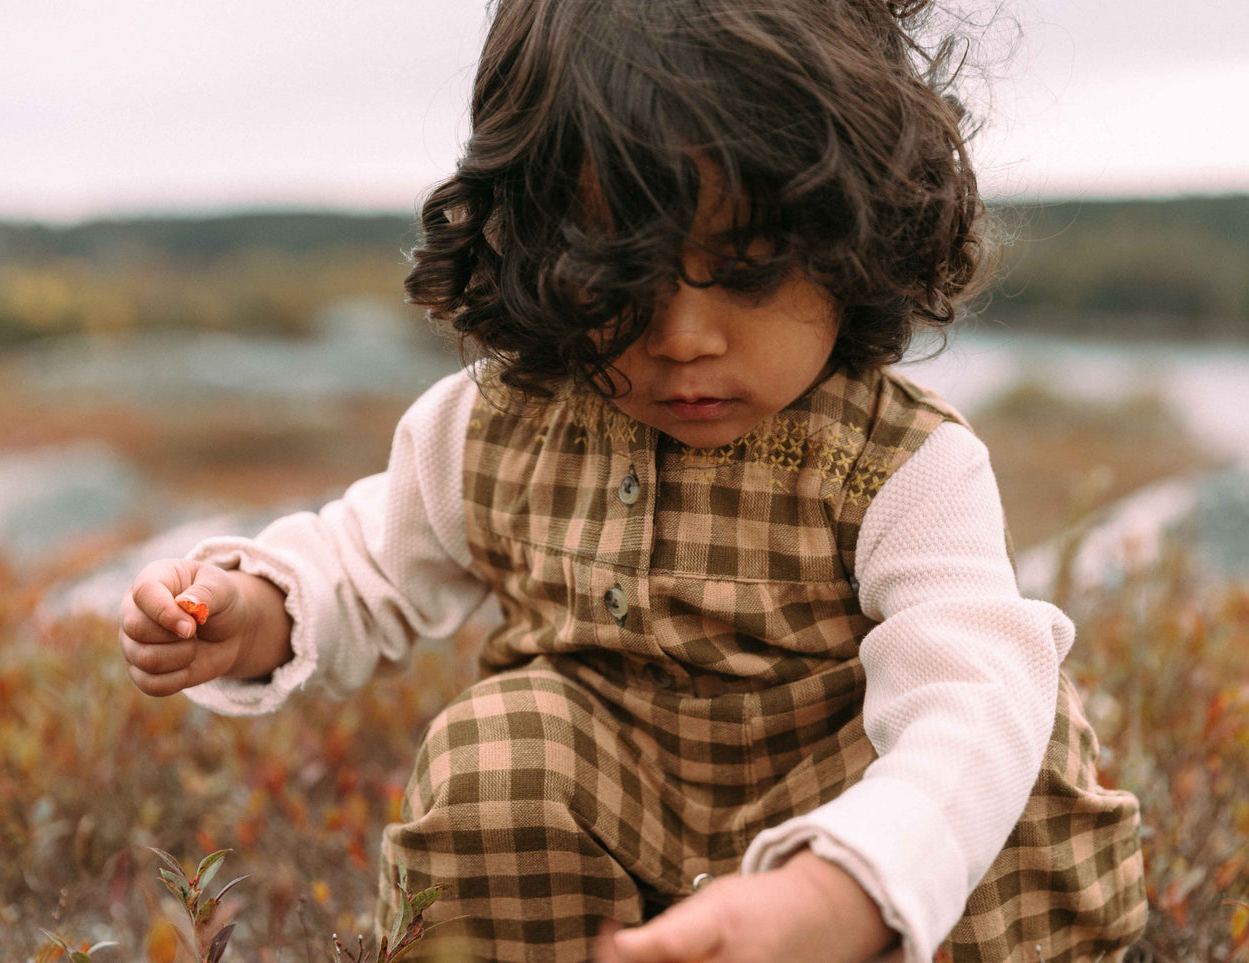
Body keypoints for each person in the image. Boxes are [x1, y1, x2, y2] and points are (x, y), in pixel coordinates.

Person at [117, 0, 1147, 960]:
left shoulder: (903, 466)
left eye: (745, 267)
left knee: (1009, 736)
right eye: (616, 274)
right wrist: (256, 610)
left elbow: (965, 687)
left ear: (856, 237)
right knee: (500, 750)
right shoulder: (491, 424)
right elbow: (365, 564)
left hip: (858, 854)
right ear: (527, 245)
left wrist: (843, 889)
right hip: (600, 859)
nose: (681, 338)